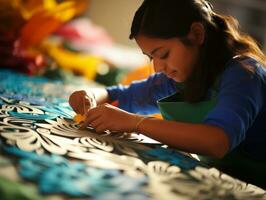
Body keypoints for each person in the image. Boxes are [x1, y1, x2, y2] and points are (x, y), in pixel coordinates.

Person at [69, 0, 266, 188]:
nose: (157, 67)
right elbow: (120, 95)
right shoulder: (182, 75)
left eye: (163, 54)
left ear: (197, 34)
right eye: (151, 57)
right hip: (224, 180)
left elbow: (217, 141)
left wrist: (136, 123)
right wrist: (91, 95)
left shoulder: (245, 73)